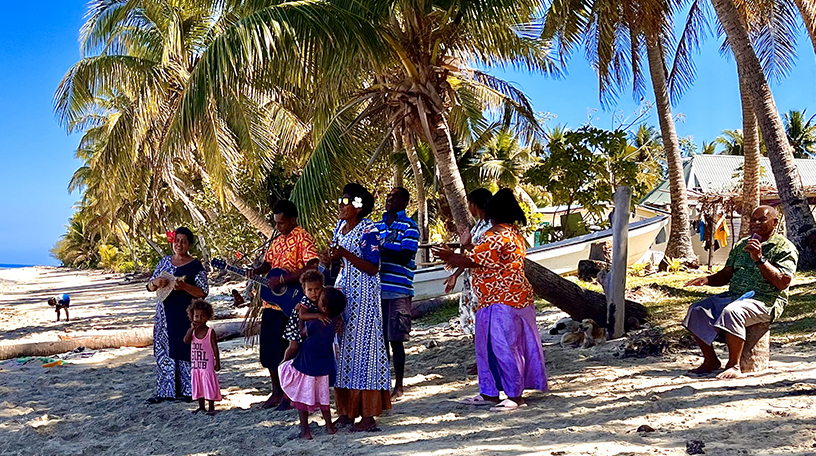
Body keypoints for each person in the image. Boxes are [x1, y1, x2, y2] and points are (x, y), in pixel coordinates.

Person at [433, 188, 547, 411]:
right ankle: (490, 392)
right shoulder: (513, 233)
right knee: (490, 347)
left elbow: (474, 260)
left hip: (501, 300)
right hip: (502, 298)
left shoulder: (495, 236)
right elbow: (481, 256)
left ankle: (514, 396)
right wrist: (460, 253)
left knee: (503, 347)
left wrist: (450, 256)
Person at [683, 205, 797, 379]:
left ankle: (734, 365)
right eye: (753, 220)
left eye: (762, 219)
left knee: (733, 311)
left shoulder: (784, 247)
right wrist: (708, 280)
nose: (756, 223)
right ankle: (711, 361)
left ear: (775, 222)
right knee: (697, 310)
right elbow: (727, 274)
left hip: (765, 301)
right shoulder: (742, 245)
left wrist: (759, 259)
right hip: (735, 296)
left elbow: (783, 282)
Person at [324, 183, 391, 431]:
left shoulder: (368, 229)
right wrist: (330, 257)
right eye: (341, 201)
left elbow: (373, 267)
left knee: (365, 351)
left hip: (364, 294)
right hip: (344, 292)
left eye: (347, 201)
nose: (342, 205)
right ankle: (347, 411)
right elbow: (338, 257)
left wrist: (344, 254)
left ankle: (368, 416)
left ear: (359, 205)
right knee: (343, 351)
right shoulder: (340, 228)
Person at [247, 200, 319, 409]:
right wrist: (256, 271)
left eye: (282, 223)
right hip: (271, 304)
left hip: (292, 303)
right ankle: (276, 392)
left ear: (293, 220)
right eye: (276, 223)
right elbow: (268, 265)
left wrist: (284, 280)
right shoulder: (277, 241)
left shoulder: (303, 238)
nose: (278, 227)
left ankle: (291, 393)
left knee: (287, 349)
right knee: (269, 350)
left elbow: (312, 266)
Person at [145, 227, 208, 404]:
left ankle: (189, 390)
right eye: (177, 240)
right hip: (165, 314)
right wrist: (155, 283)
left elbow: (203, 292)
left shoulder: (195, 265)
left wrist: (184, 287)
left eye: (183, 241)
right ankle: (165, 391)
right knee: (164, 350)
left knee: (186, 349)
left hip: (187, 314)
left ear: (189, 244)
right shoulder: (164, 262)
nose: (179, 244)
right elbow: (149, 286)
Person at [278, 287, 347, 439]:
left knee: (302, 397)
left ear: (323, 307)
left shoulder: (314, 322)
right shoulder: (335, 321)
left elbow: (302, 334)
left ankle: (305, 431)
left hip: (307, 363)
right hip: (324, 365)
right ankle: (329, 426)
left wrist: (301, 320)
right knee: (324, 397)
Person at [375, 187, 419, 400]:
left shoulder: (409, 226)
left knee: (396, 339)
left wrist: (380, 250)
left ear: (405, 202)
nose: (389, 200)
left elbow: (405, 255)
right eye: (388, 197)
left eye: (395, 197)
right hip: (377, 289)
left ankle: (399, 385)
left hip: (399, 289)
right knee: (380, 339)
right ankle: (384, 383)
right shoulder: (376, 226)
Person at [443, 188, 493, 336]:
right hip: (472, 278)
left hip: (485, 279)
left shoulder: (491, 227)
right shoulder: (478, 225)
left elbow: (483, 256)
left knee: (484, 319)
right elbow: (470, 253)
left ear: (474, 205)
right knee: (474, 318)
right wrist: (456, 274)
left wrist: (453, 255)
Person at [278, 269, 327, 410]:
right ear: (304, 290)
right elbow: (303, 316)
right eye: (310, 290)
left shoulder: (322, 297)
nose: (314, 293)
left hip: (309, 329)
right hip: (296, 325)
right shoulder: (305, 301)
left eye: (317, 289)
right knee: (294, 347)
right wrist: (318, 316)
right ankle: (284, 363)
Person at [183, 299, 221, 415]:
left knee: (208, 384)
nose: (199, 319)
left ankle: (211, 407)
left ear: (208, 317)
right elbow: (185, 341)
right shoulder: (192, 331)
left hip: (207, 364)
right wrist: (191, 329)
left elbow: (215, 347)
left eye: (202, 316)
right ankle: (201, 406)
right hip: (196, 364)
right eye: (196, 316)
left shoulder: (210, 332)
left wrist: (217, 361)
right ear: (192, 317)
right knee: (198, 384)